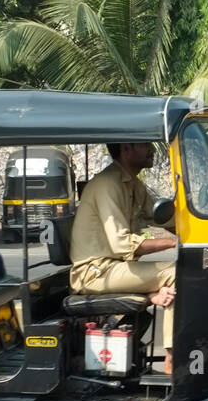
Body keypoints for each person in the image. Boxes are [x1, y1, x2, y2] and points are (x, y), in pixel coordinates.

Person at [69, 142, 178, 374]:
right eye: (145, 145)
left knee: (177, 274)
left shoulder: (132, 184)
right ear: (126, 149)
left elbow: (164, 218)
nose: (152, 150)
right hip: (96, 272)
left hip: (115, 269)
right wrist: (172, 242)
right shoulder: (108, 184)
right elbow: (122, 245)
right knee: (176, 273)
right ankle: (173, 357)